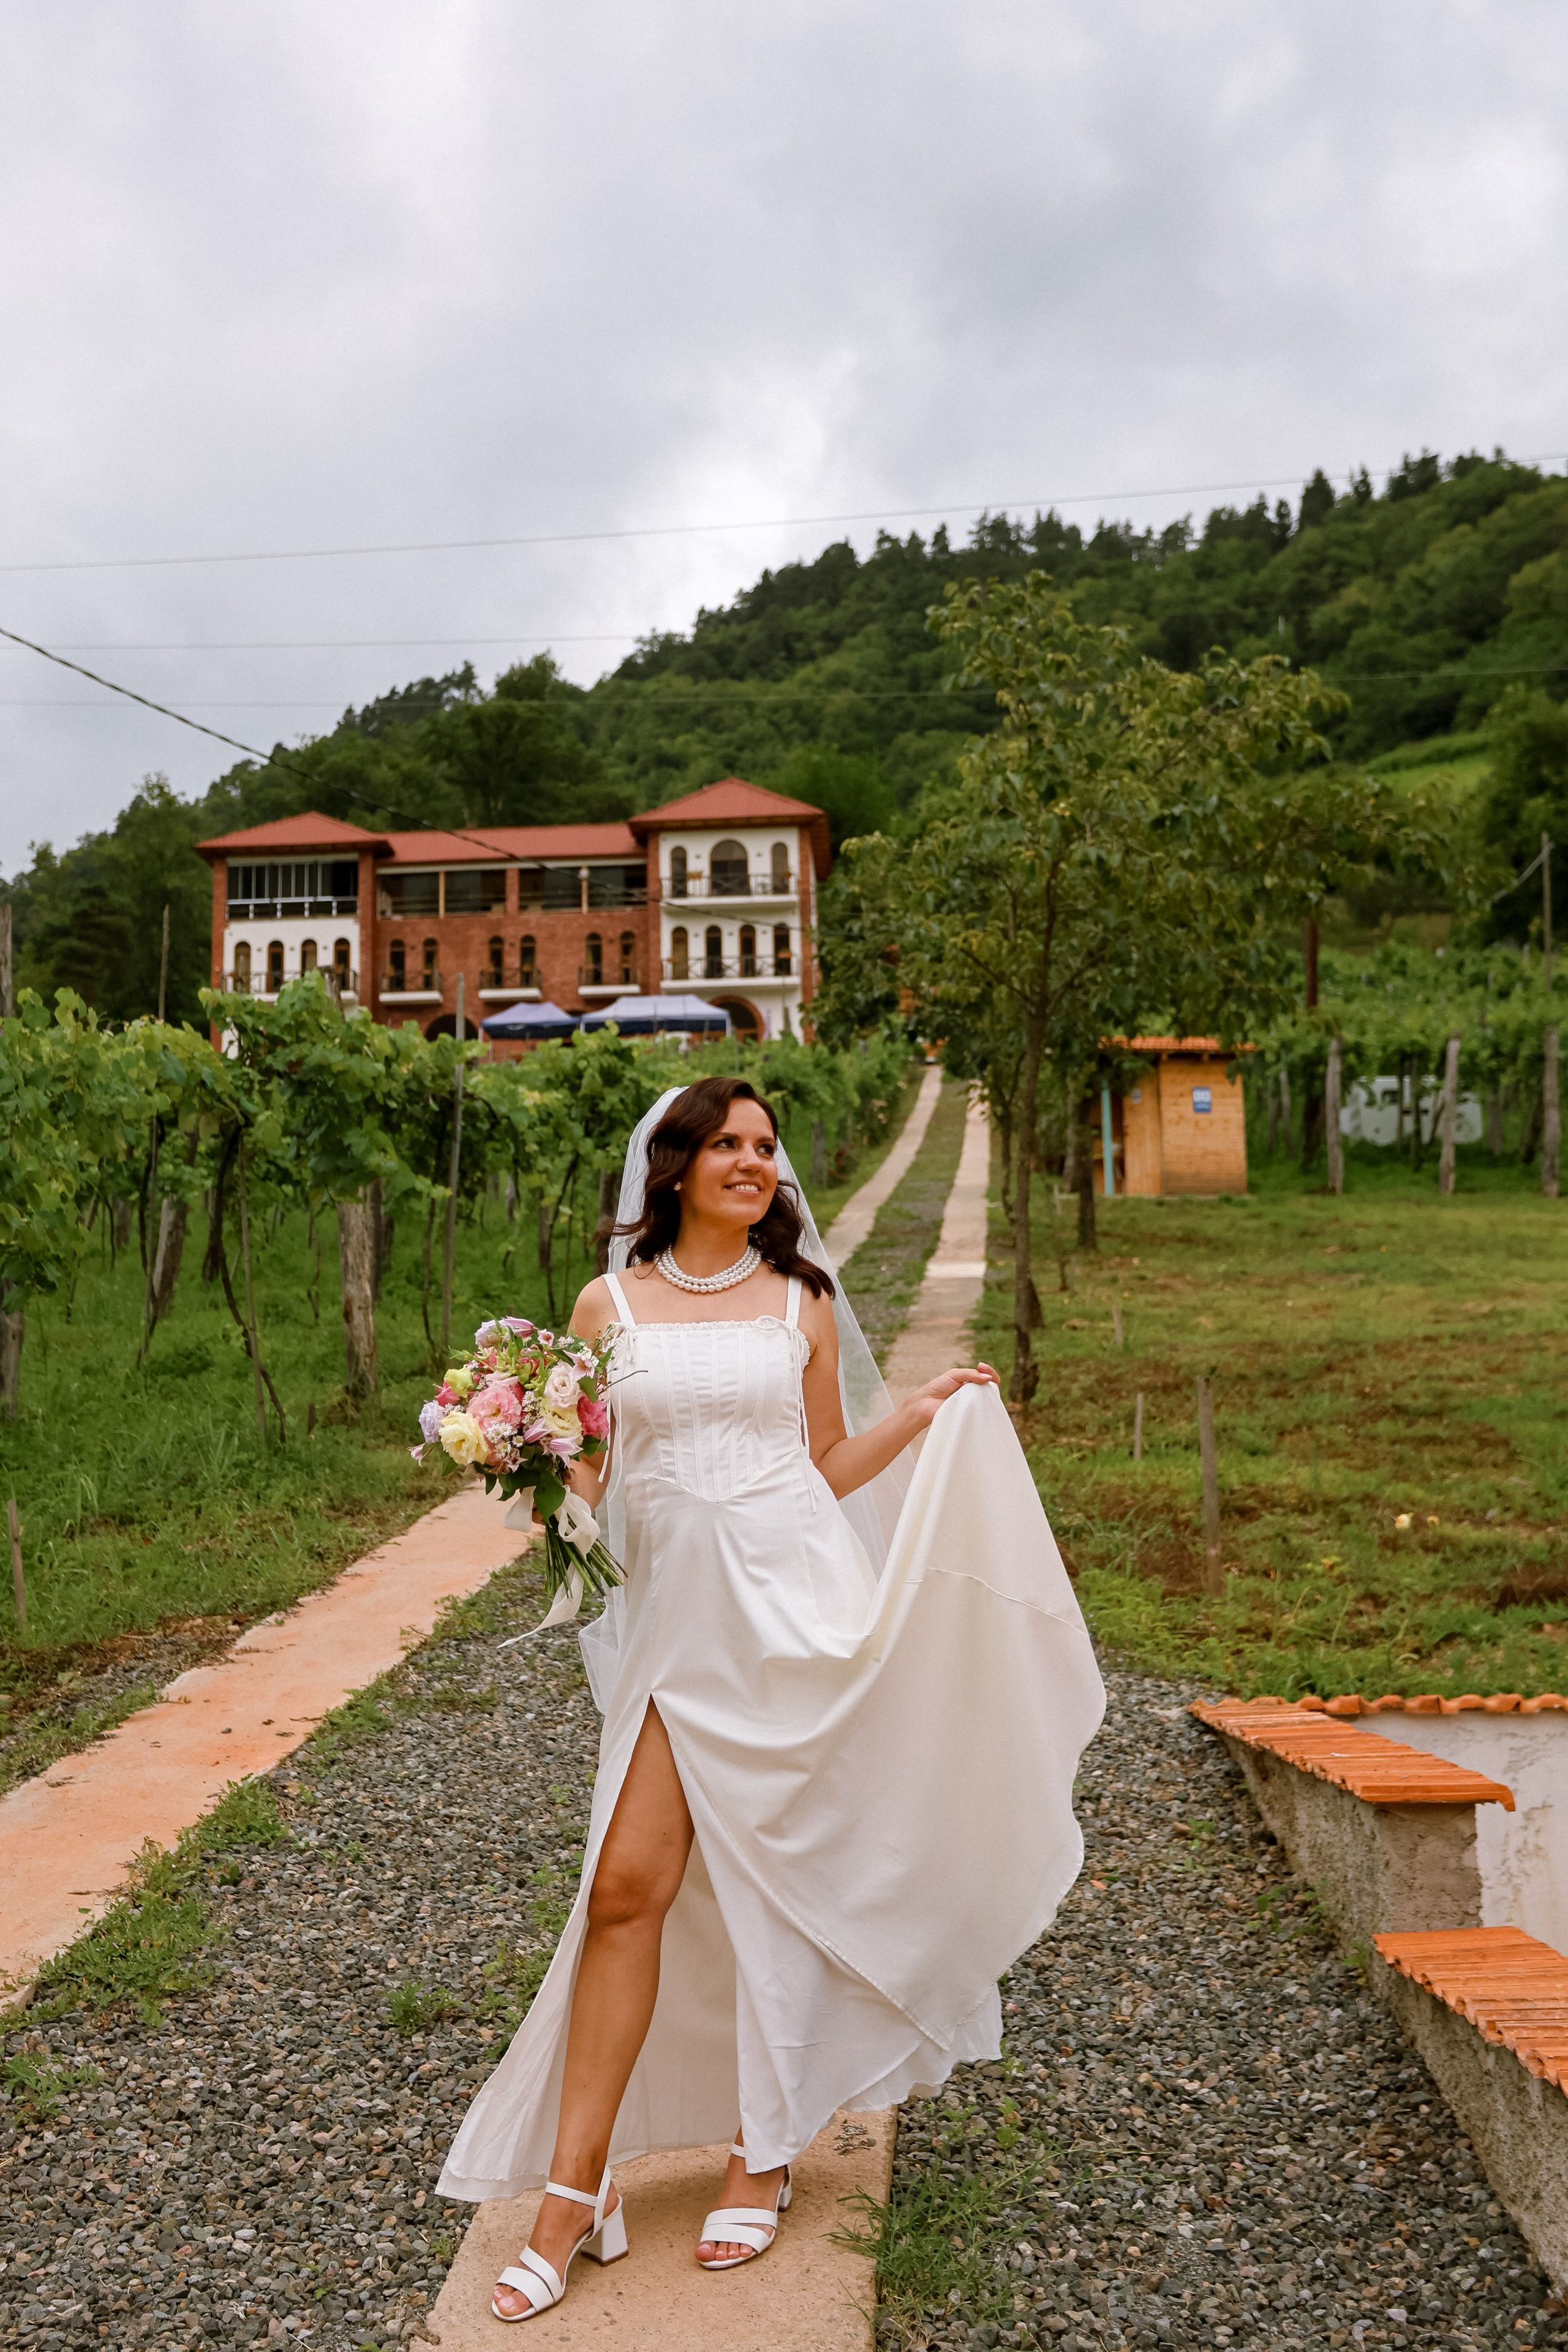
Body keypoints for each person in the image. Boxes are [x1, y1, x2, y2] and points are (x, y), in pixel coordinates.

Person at [436, 1076, 1104, 2323]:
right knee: (626, 1889)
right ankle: (572, 2193)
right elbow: (593, 1466)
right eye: (726, 1145)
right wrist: (519, 1441)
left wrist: (915, 1417)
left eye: (763, 1146)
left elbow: (821, 1464)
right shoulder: (605, 1301)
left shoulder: (799, 1297)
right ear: (675, 1165)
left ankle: (766, 2144)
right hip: (672, 1626)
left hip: (794, 1613)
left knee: (778, 1885)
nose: (752, 1162)